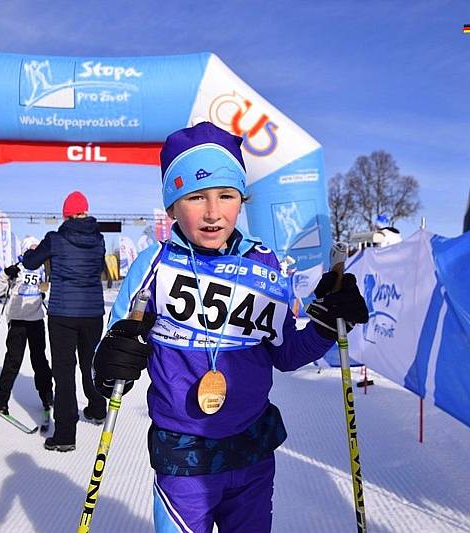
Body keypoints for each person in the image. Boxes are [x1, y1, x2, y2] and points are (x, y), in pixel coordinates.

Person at [92, 122, 369, 532]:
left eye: (225, 195)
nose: (212, 212)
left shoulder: (263, 263)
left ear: (241, 199)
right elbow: (115, 348)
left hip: (252, 452)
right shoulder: (154, 264)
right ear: (172, 207)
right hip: (182, 457)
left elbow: (287, 352)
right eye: (195, 197)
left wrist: (327, 324)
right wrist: (112, 360)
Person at [22, 190, 106, 452]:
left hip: (63, 314)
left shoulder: (54, 239)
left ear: (65, 214)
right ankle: (96, 408)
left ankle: (66, 434)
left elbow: (31, 263)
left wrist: (31, 251)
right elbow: (97, 268)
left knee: (64, 371)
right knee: (90, 363)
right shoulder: (99, 239)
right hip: (92, 312)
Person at [0, 237, 53, 415]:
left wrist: (43, 294)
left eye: (36, 248)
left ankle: (47, 395)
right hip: (17, 320)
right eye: (31, 248)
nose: (35, 251)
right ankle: (1, 399)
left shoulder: (42, 267)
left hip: (36, 321)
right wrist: (4, 275)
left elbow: (46, 287)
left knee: (39, 360)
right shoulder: (16, 266)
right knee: (13, 360)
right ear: (25, 250)